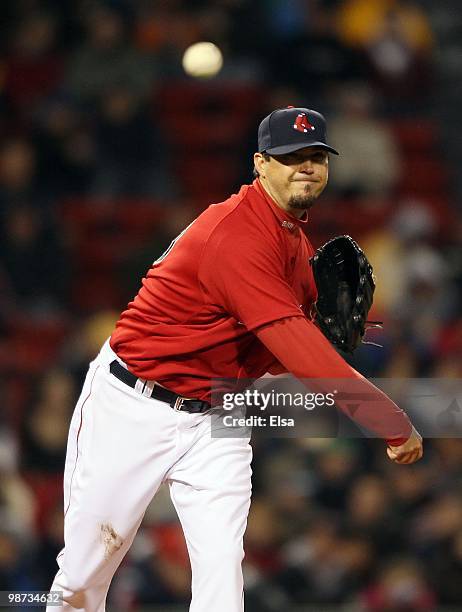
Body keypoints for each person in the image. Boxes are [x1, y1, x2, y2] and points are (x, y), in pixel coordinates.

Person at [48, 106, 423, 612]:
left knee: (223, 582)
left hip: (217, 414)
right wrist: (390, 421)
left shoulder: (290, 238)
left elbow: (282, 347)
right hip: (132, 406)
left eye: (316, 157)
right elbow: (300, 350)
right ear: (260, 163)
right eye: (292, 157)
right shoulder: (237, 236)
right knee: (81, 580)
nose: (307, 167)